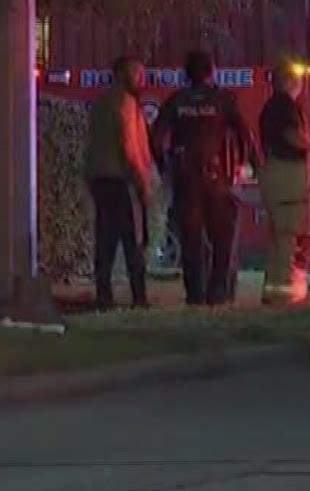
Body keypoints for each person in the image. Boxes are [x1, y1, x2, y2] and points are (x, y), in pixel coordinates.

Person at [153, 51, 256, 306]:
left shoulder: (176, 101)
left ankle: (195, 294)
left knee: (191, 238)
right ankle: (218, 292)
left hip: (186, 178)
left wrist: (165, 167)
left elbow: (156, 137)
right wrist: (246, 165)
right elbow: (245, 135)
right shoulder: (223, 99)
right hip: (217, 177)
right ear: (211, 71)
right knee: (222, 238)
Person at [84, 56, 156, 311]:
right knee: (132, 240)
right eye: (138, 74)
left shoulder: (100, 102)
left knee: (105, 239)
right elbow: (130, 147)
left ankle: (104, 295)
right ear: (124, 74)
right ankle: (139, 296)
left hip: (100, 178)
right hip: (121, 180)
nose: (142, 80)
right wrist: (142, 181)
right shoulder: (126, 103)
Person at [259, 55, 310, 305]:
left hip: (279, 175)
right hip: (288, 176)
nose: (301, 83)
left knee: (282, 236)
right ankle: (285, 293)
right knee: (290, 236)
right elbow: (294, 138)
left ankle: (277, 290)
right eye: (298, 79)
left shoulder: (274, 106)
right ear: (287, 80)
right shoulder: (283, 107)